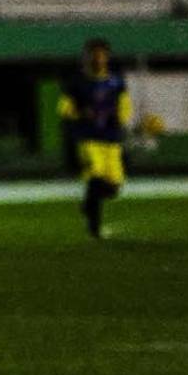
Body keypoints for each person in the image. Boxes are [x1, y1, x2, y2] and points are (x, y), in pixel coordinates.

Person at [59, 38, 131, 240]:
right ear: (87, 57)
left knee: (114, 186)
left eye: (101, 54)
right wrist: (82, 113)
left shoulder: (116, 81)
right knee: (96, 175)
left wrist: (120, 119)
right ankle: (94, 228)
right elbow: (65, 109)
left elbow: (124, 105)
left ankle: (88, 204)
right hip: (89, 138)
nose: (98, 58)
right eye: (94, 54)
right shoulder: (77, 82)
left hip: (111, 138)